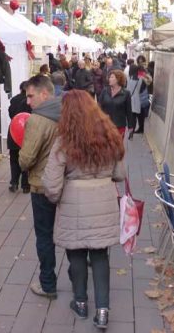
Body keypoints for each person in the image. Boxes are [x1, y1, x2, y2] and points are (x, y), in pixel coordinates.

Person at [42, 90, 125, 329]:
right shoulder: (110, 137)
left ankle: (80, 302)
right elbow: (120, 175)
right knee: (100, 256)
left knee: (76, 254)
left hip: (73, 203)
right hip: (104, 201)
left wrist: (56, 198)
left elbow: (51, 184)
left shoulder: (64, 142)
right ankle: (102, 311)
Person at [19, 75, 62, 299]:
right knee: (68, 233)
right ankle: (78, 280)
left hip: (41, 185)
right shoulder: (67, 114)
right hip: (65, 183)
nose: (28, 101)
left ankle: (48, 283)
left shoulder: (37, 120)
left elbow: (26, 159)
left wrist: (20, 158)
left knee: (44, 235)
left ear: (44, 94)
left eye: (31, 95)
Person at [8, 81, 31, 193]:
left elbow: (11, 114)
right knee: (25, 159)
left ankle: (14, 183)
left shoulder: (14, 100)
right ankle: (26, 185)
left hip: (14, 131)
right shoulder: (31, 101)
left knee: (14, 159)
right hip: (27, 133)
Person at [98, 70, 134, 137]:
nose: (109, 79)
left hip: (119, 126)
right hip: (105, 125)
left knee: (117, 146)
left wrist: (130, 127)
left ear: (118, 79)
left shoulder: (126, 93)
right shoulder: (105, 91)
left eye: (112, 77)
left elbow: (129, 111)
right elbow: (99, 107)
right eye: (109, 77)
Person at [126, 65, 152, 136]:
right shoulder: (140, 77)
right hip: (141, 99)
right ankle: (140, 128)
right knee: (140, 115)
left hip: (139, 99)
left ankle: (137, 129)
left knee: (135, 115)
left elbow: (147, 83)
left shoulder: (134, 77)